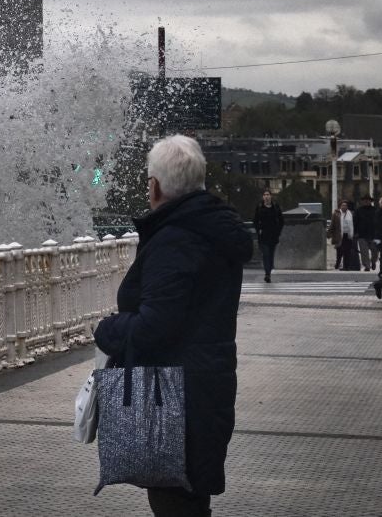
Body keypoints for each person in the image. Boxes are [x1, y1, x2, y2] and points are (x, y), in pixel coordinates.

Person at [94, 134, 253, 517]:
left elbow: (156, 325)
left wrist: (108, 329)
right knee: (190, 498)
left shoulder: (176, 239)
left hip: (175, 395)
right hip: (205, 383)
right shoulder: (212, 230)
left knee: (175, 500)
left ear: (157, 185)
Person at [252, 189, 284, 282]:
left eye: (268, 194)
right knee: (266, 254)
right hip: (263, 235)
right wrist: (259, 230)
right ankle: (267, 274)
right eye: (264, 195)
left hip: (273, 235)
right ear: (263, 197)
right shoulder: (259, 207)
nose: (266, 196)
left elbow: (281, 220)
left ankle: (269, 271)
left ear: (271, 196)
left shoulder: (276, 207)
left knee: (271, 255)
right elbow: (255, 220)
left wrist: (278, 231)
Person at [353, 195, 379, 272]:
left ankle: (373, 261)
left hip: (373, 234)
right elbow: (355, 222)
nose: (366, 201)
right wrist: (355, 232)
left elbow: (378, 223)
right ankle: (367, 266)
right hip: (362, 235)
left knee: (375, 251)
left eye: (368, 200)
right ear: (362, 201)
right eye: (364, 200)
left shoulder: (375, 210)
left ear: (371, 201)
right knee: (364, 252)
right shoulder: (358, 210)